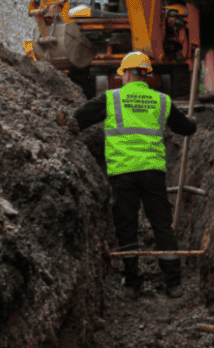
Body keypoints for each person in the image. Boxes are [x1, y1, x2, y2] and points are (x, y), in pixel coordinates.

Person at [71, 51, 197, 299]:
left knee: (127, 227)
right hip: (153, 173)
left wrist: (67, 122)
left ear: (126, 74)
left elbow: (78, 118)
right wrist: (192, 122)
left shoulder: (112, 98)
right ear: (146, 75)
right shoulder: (161, 100)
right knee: (162, 226)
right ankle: (173, 283)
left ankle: (132, 282)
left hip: (123, 173)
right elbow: (185, 127)